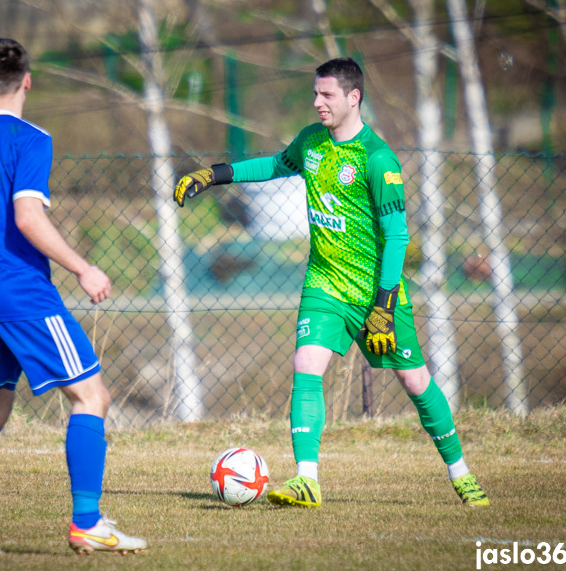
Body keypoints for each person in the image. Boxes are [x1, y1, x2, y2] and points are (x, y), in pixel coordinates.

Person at [174, 58, 488, 509]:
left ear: (353, 97)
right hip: (325, 285)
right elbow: (275, 166)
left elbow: (398, 236)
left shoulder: (378, 159)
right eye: (315, 94)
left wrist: (383, 303)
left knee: (416, 381)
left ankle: (461, 474)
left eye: (327, 95)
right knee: (306, 364)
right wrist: (215, 174)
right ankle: (307, 480)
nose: (317, 102)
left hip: (377, 293)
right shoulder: (312, 141)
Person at [0, 38, 148, 555]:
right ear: (28, 80)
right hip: (22, 292)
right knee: (91, 396)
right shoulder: (30, 138)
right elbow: (28, 218)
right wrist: (83, 267)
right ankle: (88, 524)